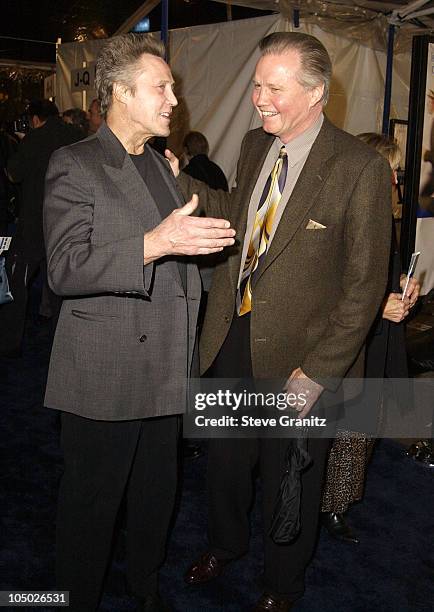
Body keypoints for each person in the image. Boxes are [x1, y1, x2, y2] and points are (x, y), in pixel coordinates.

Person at [166, 32, 392, 611]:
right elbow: (236, 220)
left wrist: (317, 373)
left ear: (316, 92)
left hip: (300, 359)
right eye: (256, 84)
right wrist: (176, 178)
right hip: (229, 337)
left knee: (289, 477)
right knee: (225, 465)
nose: (258, 97)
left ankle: (281, 583)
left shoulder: (359, 167)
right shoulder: (250, 145)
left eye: (273, 87)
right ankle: (226, 545)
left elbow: (364, 288)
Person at [43, 33, 235, 612]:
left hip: (165, 367)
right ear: (121, 93)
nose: (174, 98)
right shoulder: (74, 162)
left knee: (157, 497)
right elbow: (65, 267)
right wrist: (156, 243)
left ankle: (145, 590)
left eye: (172, 87)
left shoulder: (160, 163)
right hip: (105, 372)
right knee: (91, 508)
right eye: (161, 87)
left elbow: (183, 248)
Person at [321, 133, 420, 545]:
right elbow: (325, 284)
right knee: (344, 423)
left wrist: (400, 283)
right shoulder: (343, 211)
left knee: (363, 422)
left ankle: (337, 502)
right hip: (347, 338)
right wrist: (379, 306)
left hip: (375, 338)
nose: (395, 180)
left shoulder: (382, 215)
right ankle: (327, 505)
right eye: (390, 170)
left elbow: (375, 271)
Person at [0, 100, 81, 356]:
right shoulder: (76, 135)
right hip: (69, 222)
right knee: (62, 285)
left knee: (17, 282)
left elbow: (13, 174)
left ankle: (9, 343)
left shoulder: (33, 140)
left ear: (35, 119)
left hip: (35, 222)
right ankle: (63, 343)